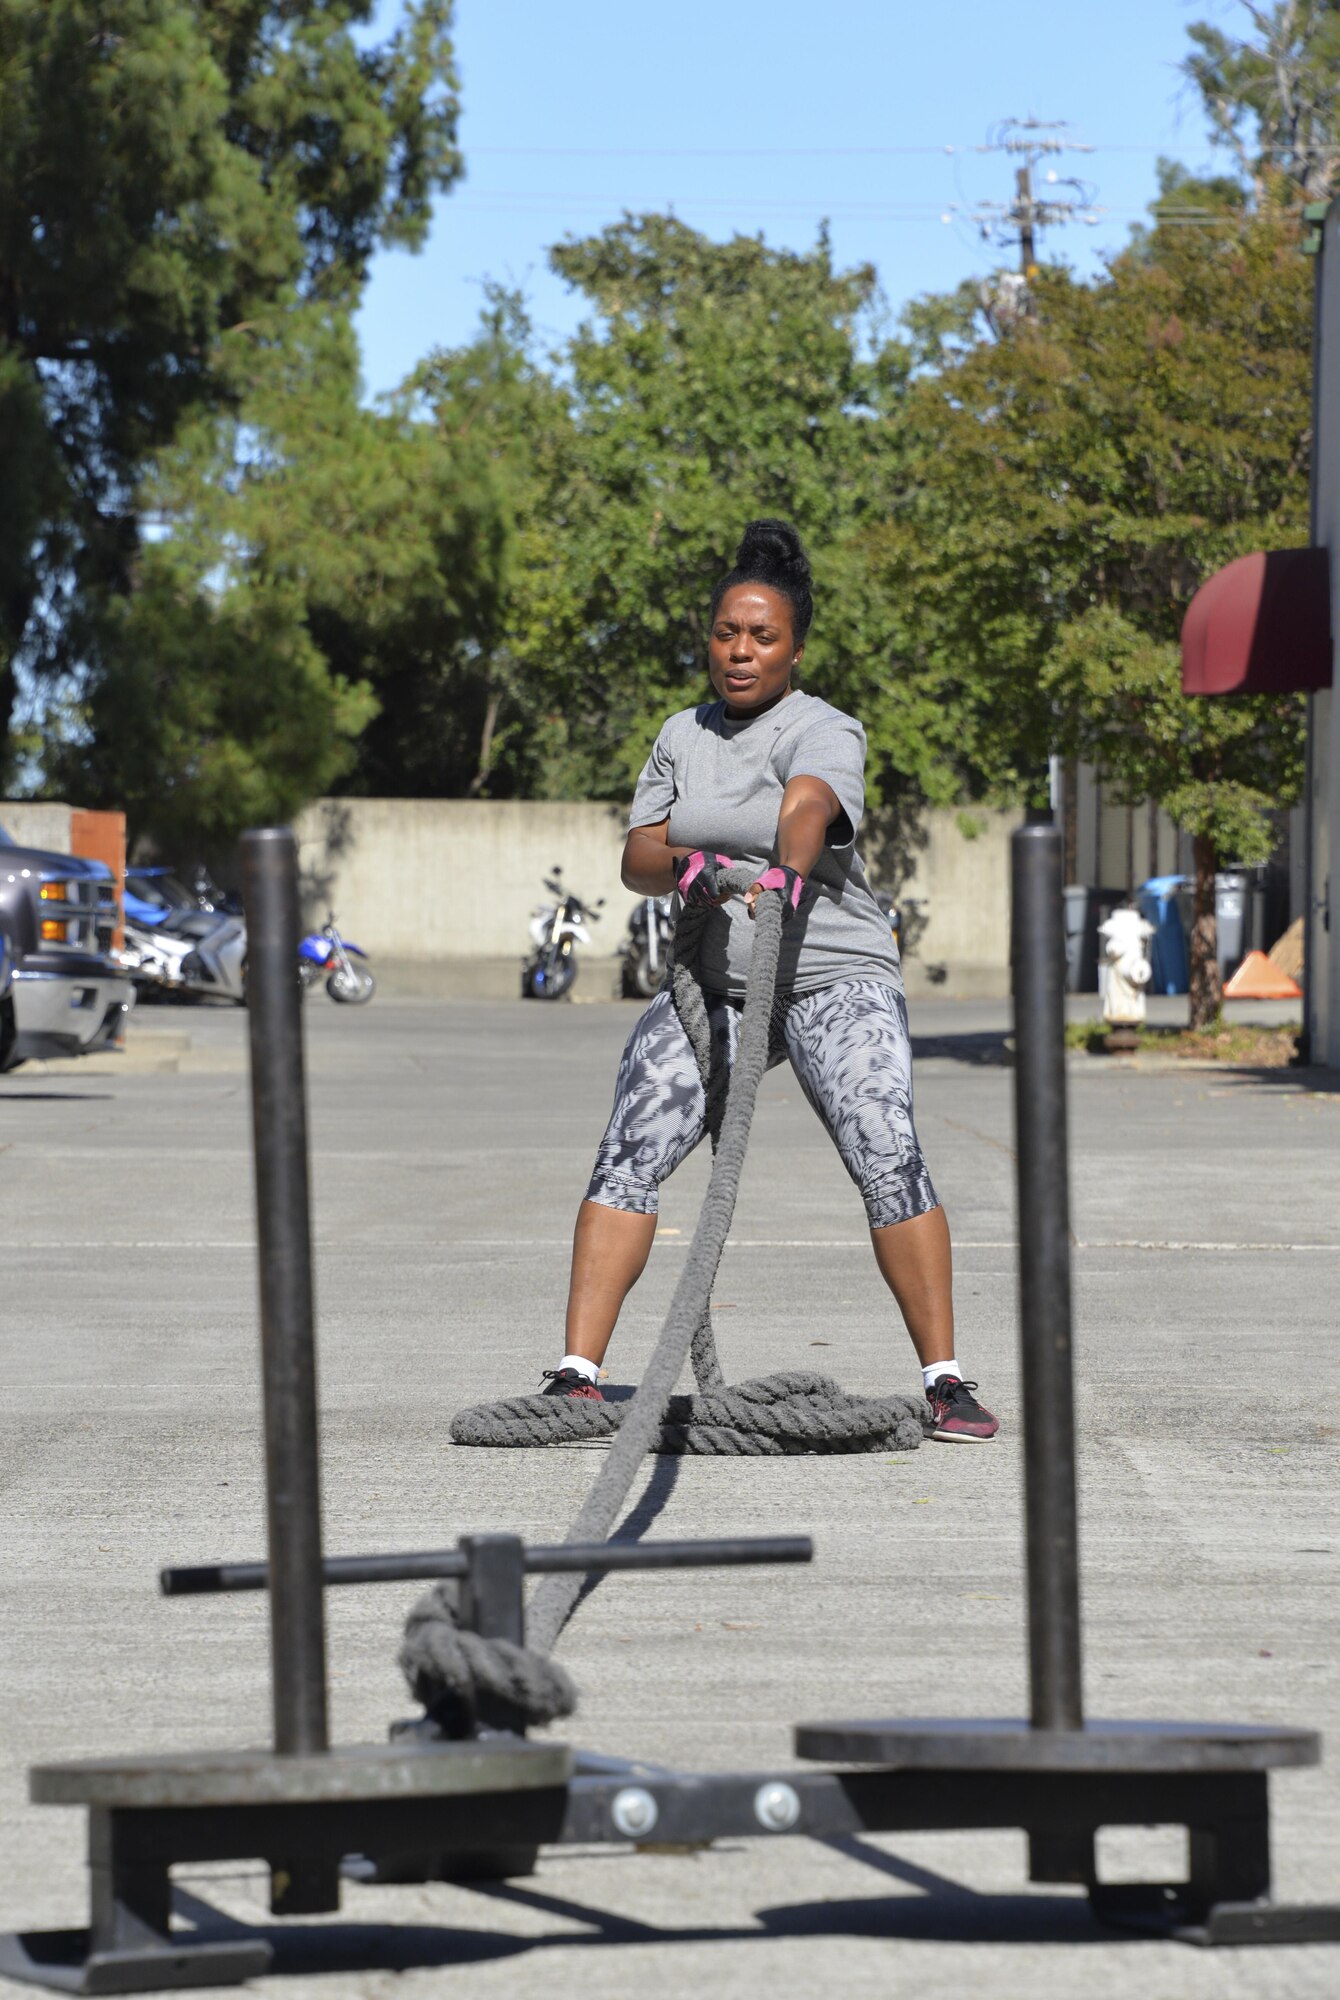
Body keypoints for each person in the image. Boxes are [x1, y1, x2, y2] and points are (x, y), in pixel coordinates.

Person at [540, 519, 998, 1442]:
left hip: (832, 977)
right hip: (712, 987)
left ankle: (945, 1381)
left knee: (885, 1147)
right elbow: (638, 853)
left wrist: (787, 875)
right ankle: (577, 1375)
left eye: (763, 636)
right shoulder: (681, 734)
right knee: (630, 1146)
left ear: (795, 648)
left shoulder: (826, 727)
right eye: (726, 633)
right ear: (708, 638)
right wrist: (691, 871)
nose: (740, 652)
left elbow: (808, 804)